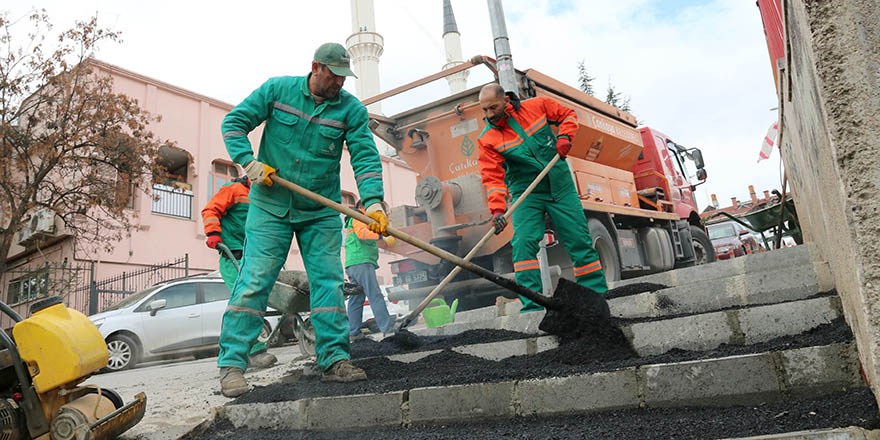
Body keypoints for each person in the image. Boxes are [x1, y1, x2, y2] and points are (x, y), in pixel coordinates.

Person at [216, 42, 389, 397]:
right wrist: (248, 161)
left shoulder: (351, 110)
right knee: (255, 280)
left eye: (345, 77)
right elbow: (233, 122)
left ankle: (334, 361)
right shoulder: (277, 90)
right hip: (269, 206)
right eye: (335, 75)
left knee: (328, 283)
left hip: (320, 210)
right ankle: (232, 365)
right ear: (316, 67)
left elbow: (365, 157)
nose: (340, 83)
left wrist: (373, 203)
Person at [476, 83, 608, 313]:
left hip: (559, 184)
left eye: (493, 108)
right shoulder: (487, 138)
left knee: (579, 240)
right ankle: (533, 307)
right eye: (484, 110)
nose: (489, 115)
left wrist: (565, 136)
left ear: (505, 101)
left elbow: (568, 115)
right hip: (527, 192)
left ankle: (596, 296)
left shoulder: (536, 106)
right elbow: (492, 177)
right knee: (523, 244)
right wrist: (497, 210)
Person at [201, 176, 277, 369]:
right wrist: (212, 232)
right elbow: (210, 210)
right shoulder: (233, 189)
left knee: (257, 300)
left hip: (253, 255)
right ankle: (254, 352)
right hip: (232, 256)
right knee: (244, 301)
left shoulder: (263, 196)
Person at [344, 201, 397, 340]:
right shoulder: (359, 216)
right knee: (374, 295)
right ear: (365, 208)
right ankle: (387, 328)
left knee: (357, 298)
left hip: (353, 263)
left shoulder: (354, 217)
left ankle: (353, 332)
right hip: (361, 262)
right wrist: (381, 234)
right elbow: (363, 234)